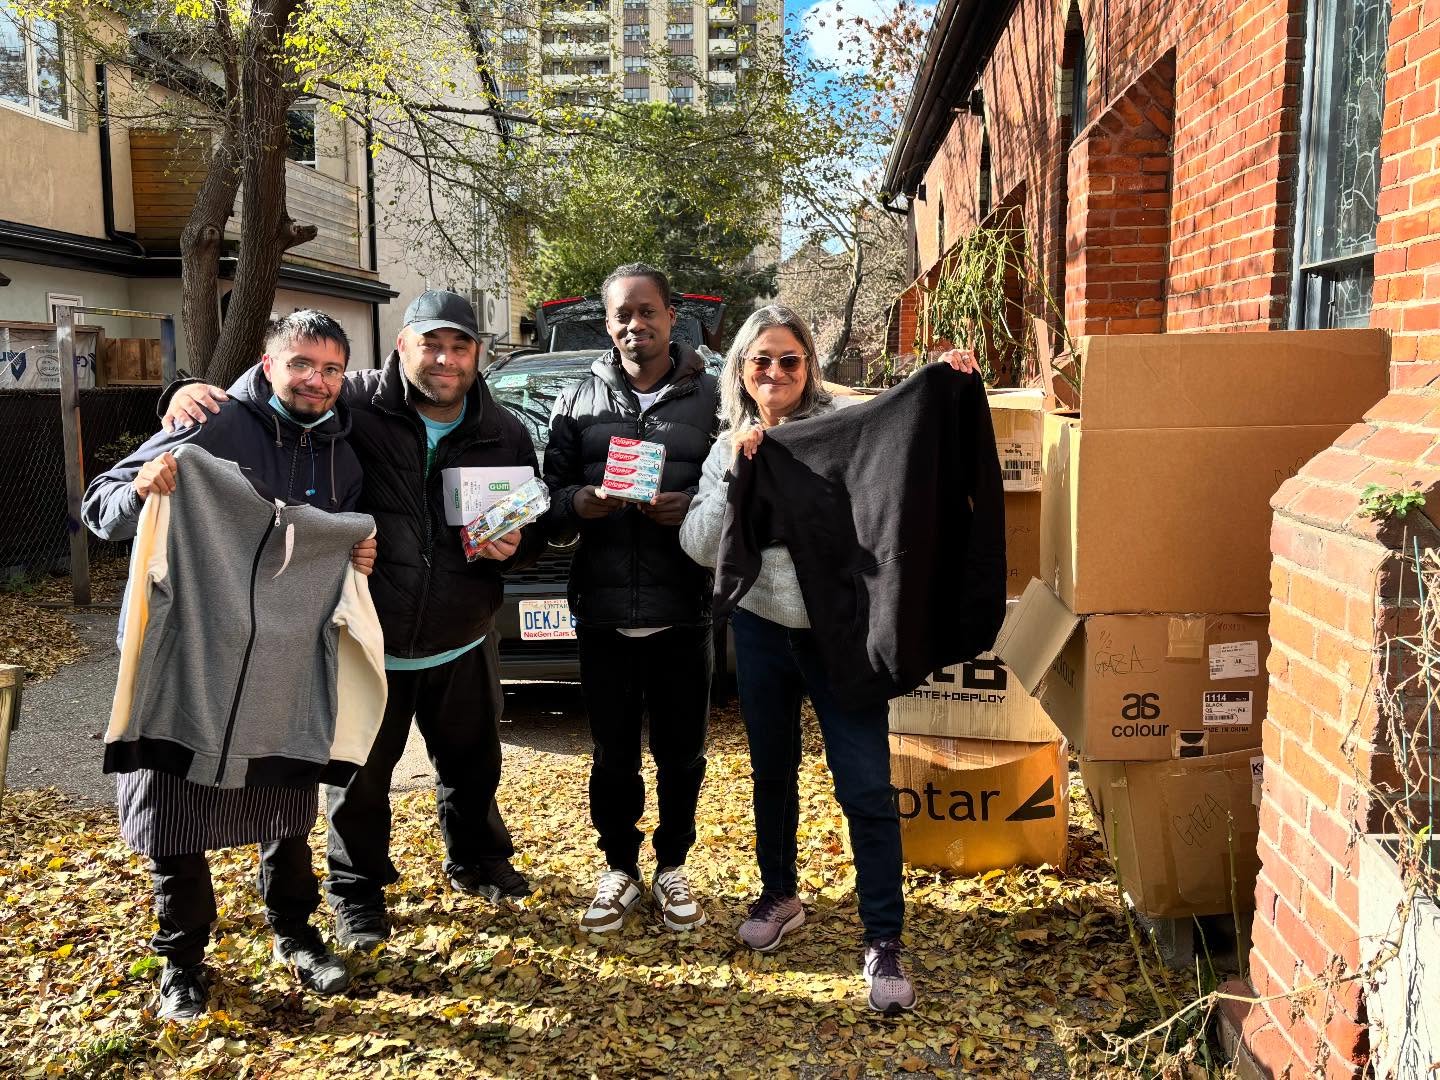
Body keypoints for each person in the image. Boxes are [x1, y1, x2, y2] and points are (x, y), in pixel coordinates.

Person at [160, 291, 543, 951]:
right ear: (403, 346)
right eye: (432, 344)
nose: (445, 359)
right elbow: (279, 395)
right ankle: (357, 892)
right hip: (369, 635)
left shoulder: (504, 431)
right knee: (357, 779)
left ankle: (478, 859)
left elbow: (527, 518)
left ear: (478, 355)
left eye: (460, 347)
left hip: (462, 633)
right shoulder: (354, 401)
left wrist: (521, 542)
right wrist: (186, 390)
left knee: (474, 766)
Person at [679, 304, 981, 1015]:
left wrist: (944, 379)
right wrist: (737, 478)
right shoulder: (728, 446)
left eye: (790, 360)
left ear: (809, 365)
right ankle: (780, 893)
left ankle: (883, 938)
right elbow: (698, 545)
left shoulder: (839, 429)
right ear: (742, 372)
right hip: (760, 632)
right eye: (762, 362)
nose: (776, 373)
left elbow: (897, 429)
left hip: (838, 633)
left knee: (866, 785)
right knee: (772, 772)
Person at [83, 311, 378, 1021]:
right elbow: (100, 507)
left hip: (284, 663)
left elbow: (343, 536)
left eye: (332, 369)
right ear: (270, 363)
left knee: (285, 807)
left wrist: (356, 557)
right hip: (189, 658)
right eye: (302, 364)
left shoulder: (343, 451)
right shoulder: (210, 422)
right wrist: (141, 489)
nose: (317, 380)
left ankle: (296, 934)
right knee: (175, 811)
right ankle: (181, 963)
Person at [543, 263, 718, 934]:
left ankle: (672, 865)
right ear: (606, 323)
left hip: (683, 609)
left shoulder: (713, 399)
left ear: (672, 316)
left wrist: (693, 509)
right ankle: (618, 867)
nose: (633, 325)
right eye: (621, 314)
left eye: (646, 312)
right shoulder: (576, 400)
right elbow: (546, 505)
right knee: (612, 756)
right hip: (604, 611)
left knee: (683, 754)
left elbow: (735, 495)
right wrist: (579, 503)